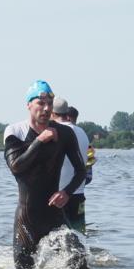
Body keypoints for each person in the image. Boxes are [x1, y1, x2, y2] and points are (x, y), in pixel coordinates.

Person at [4, 81, 86, 269]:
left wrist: (66, 192)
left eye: (50, 103)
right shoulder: (15, 131)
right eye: (41, 103)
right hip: (27, 218)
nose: (46, 108)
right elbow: (16, 166)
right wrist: (40, 140)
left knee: (80, 264)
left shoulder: (65, 133)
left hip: (54, 214)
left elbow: (81, 170)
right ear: (29, 105)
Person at [53, 100, 91, 234]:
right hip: (78, 194)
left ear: (52, 113)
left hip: (57, 195)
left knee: (53, 239)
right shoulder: (82, 133)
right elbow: (89, 164)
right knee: (79, 236)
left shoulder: (54, 131)